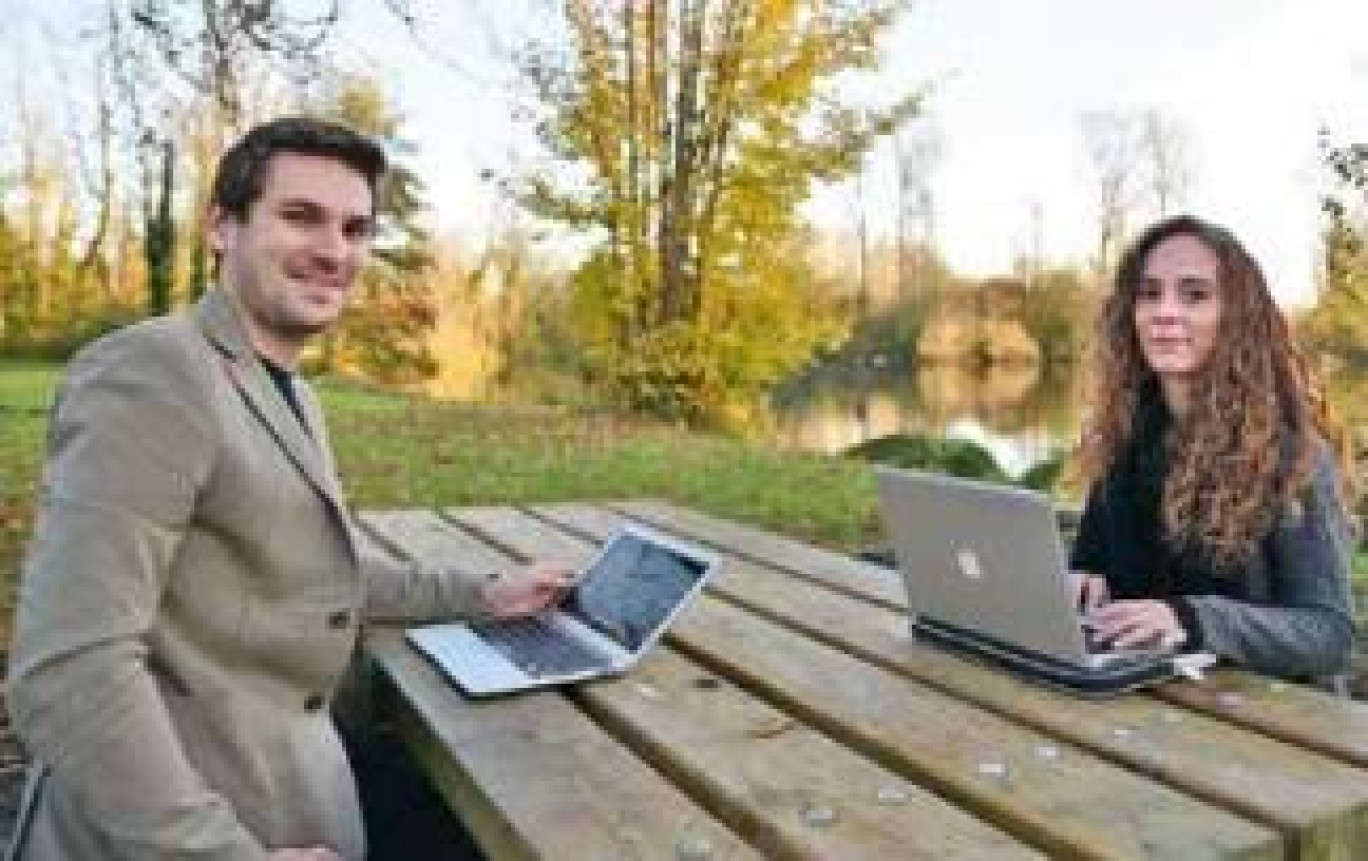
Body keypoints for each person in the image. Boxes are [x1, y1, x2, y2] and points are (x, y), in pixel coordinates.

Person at [6, 117, 575, 860]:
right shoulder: (153, 373)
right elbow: (68, 664)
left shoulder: (284, 388)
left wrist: (488, 593)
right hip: (187, 821)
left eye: (355, 228)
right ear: (221, 226)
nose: (334, 250)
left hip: (297, 783)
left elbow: (306, 574)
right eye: (300, 216)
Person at [1070, 214, 1356, 680]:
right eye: (1148, 294)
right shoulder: (1124, 443)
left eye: (1195, 295)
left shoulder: (1293, 455)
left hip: (1273, 727)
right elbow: (1090, 565)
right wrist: (1080, 583)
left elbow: (1329, 635)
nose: (1165, 311)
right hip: (1143, 701)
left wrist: (1190, 619)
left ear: (1236, 318)